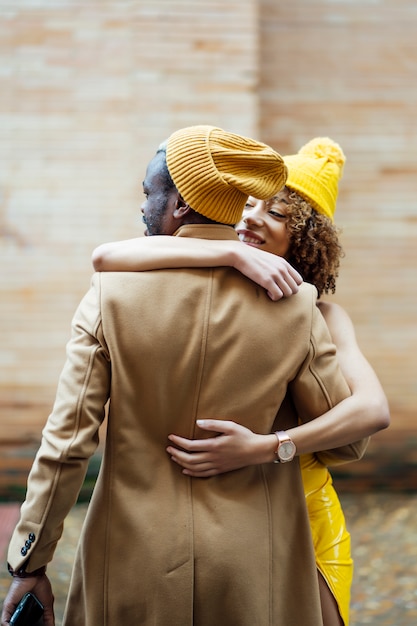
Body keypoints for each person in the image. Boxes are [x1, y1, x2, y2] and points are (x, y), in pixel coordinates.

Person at [3, 125, 358, 626]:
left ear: (181, 205)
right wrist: (274, 432)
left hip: (129, 560)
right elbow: (346, 445)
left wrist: (29, 563)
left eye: (149, 193)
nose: (143, 206)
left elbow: (65, 445)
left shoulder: (110, 295)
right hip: (253, 567)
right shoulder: (296, 307)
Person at [91, 137, 390, 626]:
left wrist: (268, 447)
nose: (251, 218)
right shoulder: (212, 272)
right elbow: (104, 258)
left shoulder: (323, 313)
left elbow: (373, 411)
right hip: (245, 515)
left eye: (274, 214)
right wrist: (226, 257)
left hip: (307, 510)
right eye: (248, 205)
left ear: (305, 238)